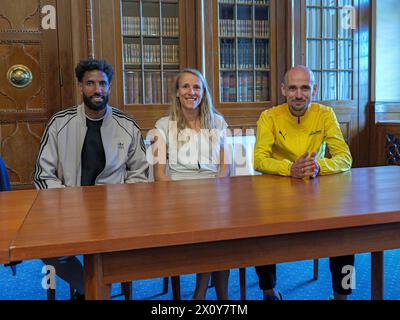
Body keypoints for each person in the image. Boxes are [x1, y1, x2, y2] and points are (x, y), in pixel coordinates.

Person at [34, 59, 149, 299]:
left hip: (115, 213)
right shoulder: (59, 123)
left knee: (129, 249)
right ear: (80, 87)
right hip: (68, 209)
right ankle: (92, 290)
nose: (97, 89)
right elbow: (43, 175)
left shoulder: (127, 125)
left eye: (102, 84)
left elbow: (140, 175)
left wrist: (121, 203)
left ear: (109, 87)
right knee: (48, 249)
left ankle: (90, 291)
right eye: (90, 83)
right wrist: (67, 202)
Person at [253, 65, 354, 300]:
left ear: (314, 89)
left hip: (317, 191)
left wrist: (319, 166)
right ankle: (268, 291)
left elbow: (345, 158)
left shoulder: (325, 114)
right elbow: (259, 160)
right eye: (293, 88)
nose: (299, 94)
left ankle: (343, 294)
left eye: (305, 88)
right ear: (283, 90)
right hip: (277, 193)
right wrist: (290, 169)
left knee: (348, 234)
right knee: (258, 230)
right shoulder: (269, 117)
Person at [150, 68, 230, 299]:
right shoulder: (163, 125)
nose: (191, 92)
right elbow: (160, 173)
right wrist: (179, 197)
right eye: (185, 86)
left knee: (221, 232)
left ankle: (203, 294)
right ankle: (212, 295)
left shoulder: (218, 122)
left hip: (213, 192)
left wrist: (214, 191)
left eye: (197, 87)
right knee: (212, 232)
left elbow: (225, 167)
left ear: (203, 93)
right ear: (177, 92)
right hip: (178, 195)